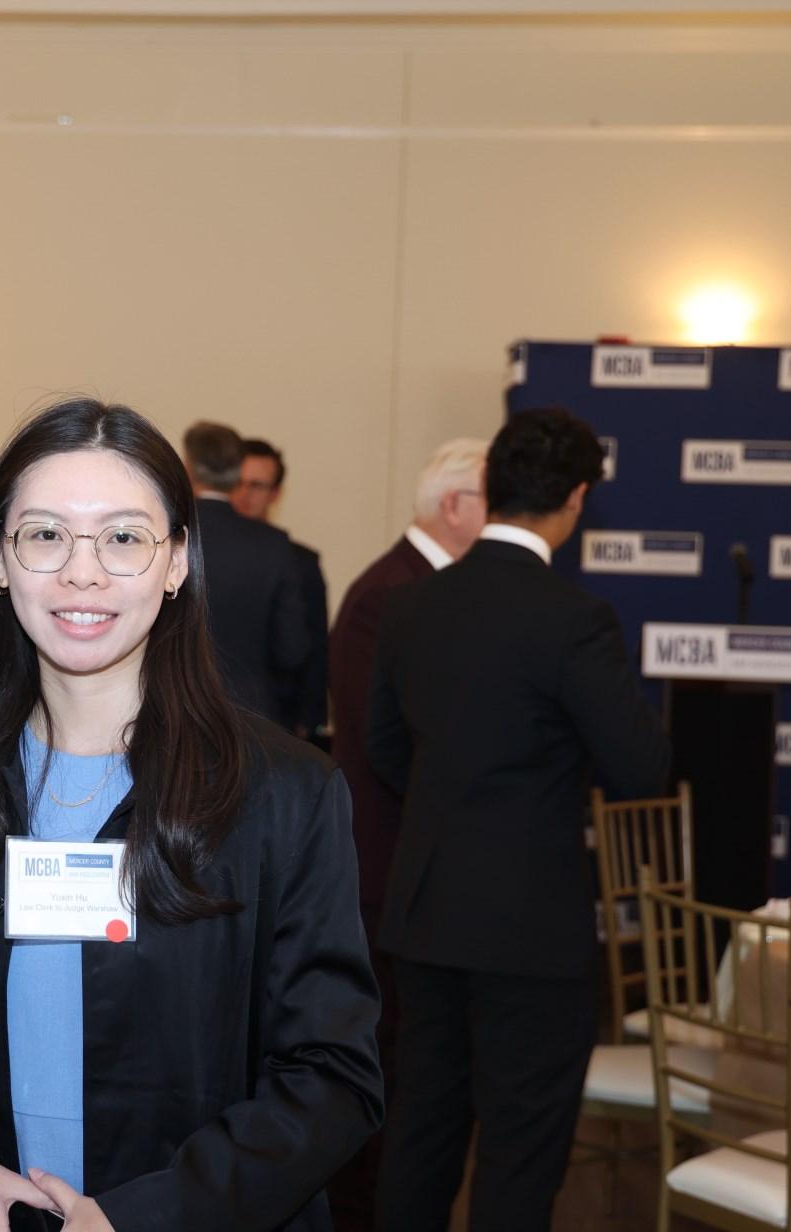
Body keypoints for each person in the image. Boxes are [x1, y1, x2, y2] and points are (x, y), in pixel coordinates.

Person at [0, 398, 383, 1232]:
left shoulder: (285, 793)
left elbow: (333, 1077)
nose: (83, 573)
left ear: (176, 561)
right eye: (45, 535)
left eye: (123, 537)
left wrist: (149, 1216)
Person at [366, 408, 670, 1232]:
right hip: (531, 927)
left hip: (427, 914)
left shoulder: (411, 606)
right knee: (520, 1152)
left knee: (421, 1135)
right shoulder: (574, 619)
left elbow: (383, 748)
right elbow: (641, 768)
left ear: (492, 486)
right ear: (575, 499)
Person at [321, 435, 485, 1231]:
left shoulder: (427, 589)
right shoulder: (389, 594)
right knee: (378, 1060)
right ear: (454, 507)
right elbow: (390, 745)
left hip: (414, 874)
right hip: (384, 869)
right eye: (492, 500)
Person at [181, 421, 308, 729]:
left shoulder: (171, 536)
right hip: (253, 717)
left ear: (189, 468)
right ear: (238, 473)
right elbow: (292, 650)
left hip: (178, 707)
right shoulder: (274, 544)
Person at [232, 438, 329, 742]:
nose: (245, 494)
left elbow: (315, 647)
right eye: (238, 482)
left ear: (275, 494)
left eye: (257, 486)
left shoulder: (301, 562)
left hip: (276, 720)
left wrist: (309, 721)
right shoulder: (197, 550)